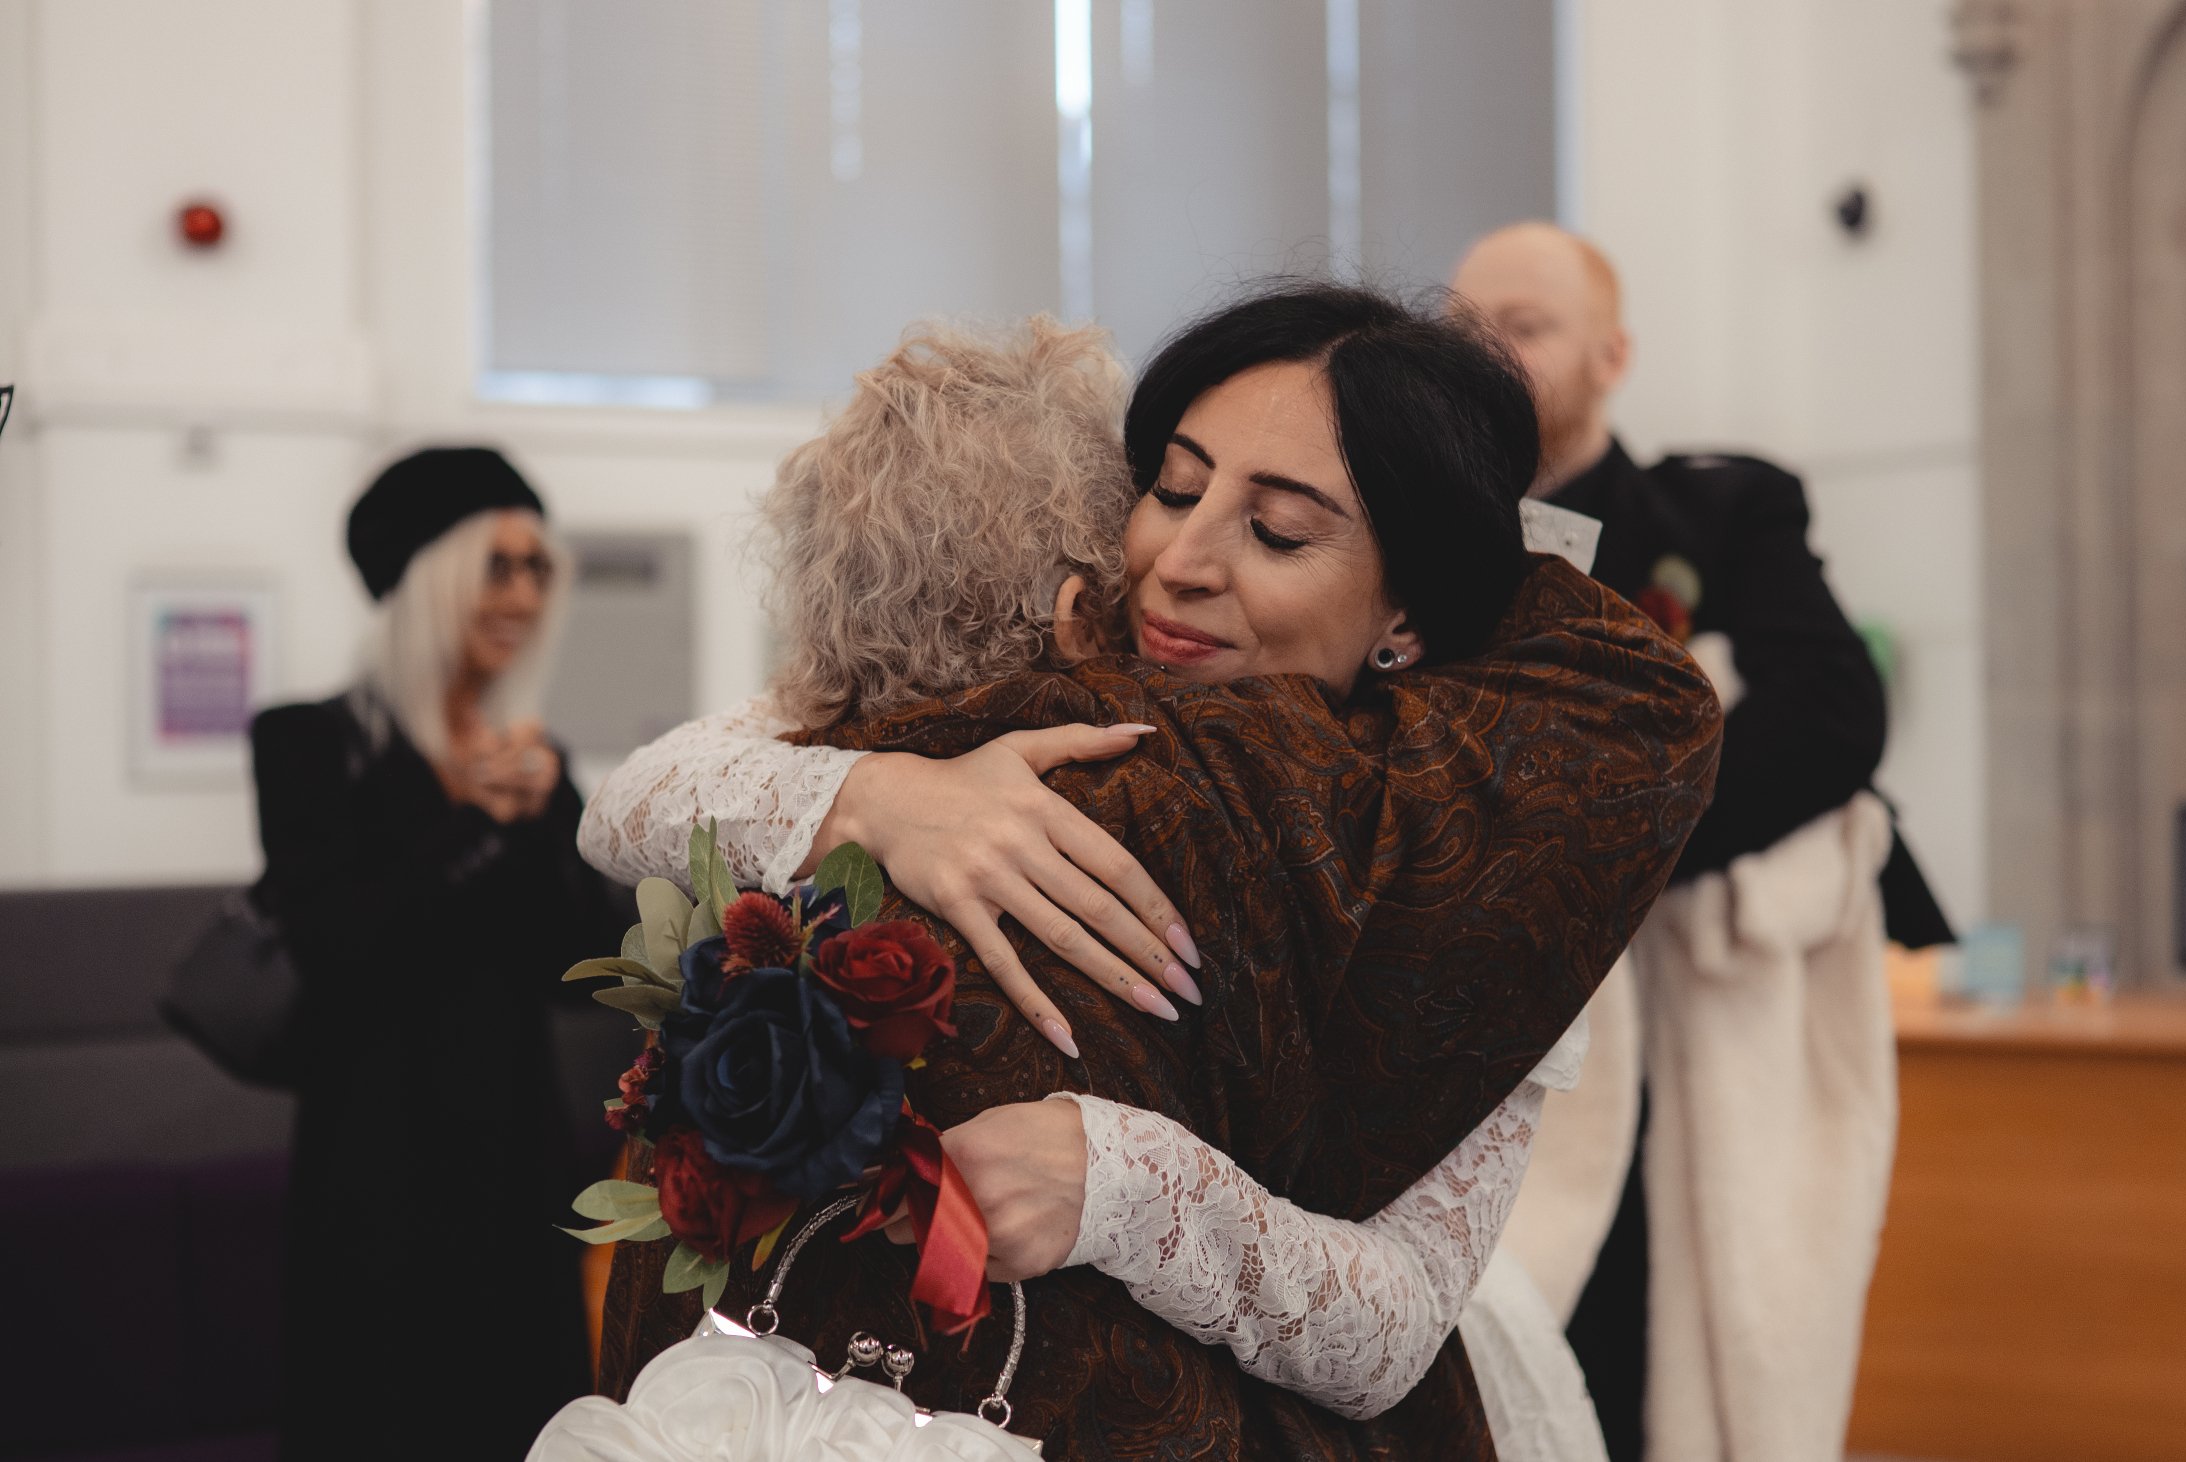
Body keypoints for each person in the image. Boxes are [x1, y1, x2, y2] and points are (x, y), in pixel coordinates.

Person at [578, 294, 1722, 1458]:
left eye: (1276, 533)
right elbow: (632, 800)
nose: (1180, 564)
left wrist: (1118, 1180)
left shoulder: (1483, 841)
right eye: (1176, 489)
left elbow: (1398, 1326)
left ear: (1404, 614)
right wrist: (879, 796)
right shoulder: (1044, 670)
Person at [1452, 222, 1951, 1461]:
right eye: (1467, 330)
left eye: (1527, 324)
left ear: (1613, 353)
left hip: (1680, 1042)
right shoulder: (1418, 547)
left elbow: (1835, 711)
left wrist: (1611, 836)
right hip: (1490, 1056)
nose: (1492, 355)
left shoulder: (1719, 514)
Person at [252, 447, 623, 1460]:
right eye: (496, 564)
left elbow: (588, 962)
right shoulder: (308, 743)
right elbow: (335, 946)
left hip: (515, 1152)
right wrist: (473, 822)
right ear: (427, 579)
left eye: (537, 567)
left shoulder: (530, 756)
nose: (523, 592)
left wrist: (540, 813)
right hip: (373, 1162)